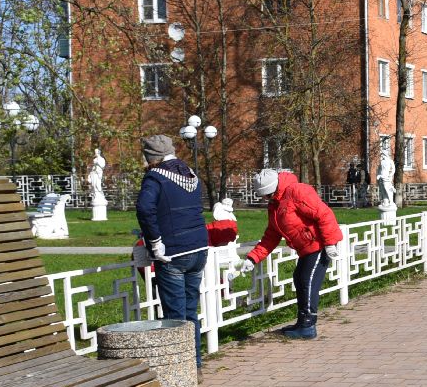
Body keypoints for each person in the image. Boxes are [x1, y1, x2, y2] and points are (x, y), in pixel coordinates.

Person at [231, 169, 344, 340]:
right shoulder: (275, 204)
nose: (264, 199)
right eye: (263, 196)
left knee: (307, 281)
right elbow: (272, 235)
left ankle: (308, 326)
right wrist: (253, 258)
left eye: (267, 195)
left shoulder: (297, 192)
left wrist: (329, 243)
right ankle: (302, 322)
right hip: (305, 248)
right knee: (299, 278)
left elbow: (324, 214)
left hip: (319, 245)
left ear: (274, 188)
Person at [135, 135, 209, 364]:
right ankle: (195, 362)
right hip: (199, 248)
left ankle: (180, 369)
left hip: (173, 254)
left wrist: (155, 242)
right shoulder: (190, 173)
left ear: (152, 157)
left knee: (175, 316)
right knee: (190, 312)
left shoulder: (155, 178)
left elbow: (145, 209)